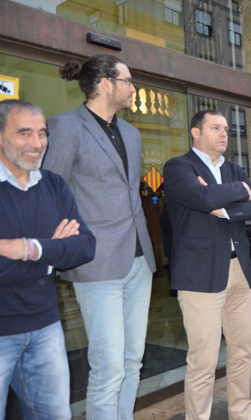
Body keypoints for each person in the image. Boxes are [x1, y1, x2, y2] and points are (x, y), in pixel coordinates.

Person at [43, 55, 157, 419]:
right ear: (106, 84)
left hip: (139, 261)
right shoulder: (65, 127)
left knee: (132, 360)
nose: (133, 88)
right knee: (108, 367)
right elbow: (51, 190)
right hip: (96, 263)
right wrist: (60, 244)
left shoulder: (132, 134)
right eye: (128, 81)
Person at [163, 109, 251, 420]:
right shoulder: (178, 167)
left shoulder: (234, 168)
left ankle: (241, 414)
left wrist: (227, 210)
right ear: (196, 133)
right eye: (215, 128)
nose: (224, 133)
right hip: (199, 274)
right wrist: (240, 191)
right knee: (204, 360)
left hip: (240, 272)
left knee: (243, 351)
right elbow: (203, 198)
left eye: (226, 129)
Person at [0, 100, 96, 419]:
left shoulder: (53, 184)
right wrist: (54, 252)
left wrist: (31, 249)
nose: (38, 143)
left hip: (46, 326)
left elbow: (86, 246)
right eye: (24, 133)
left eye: (42, 133)